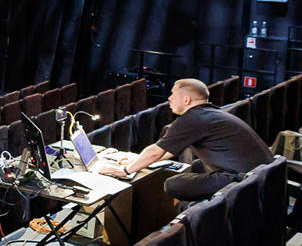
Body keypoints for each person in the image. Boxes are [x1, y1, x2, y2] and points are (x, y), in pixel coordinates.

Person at [112, 77, 273, 202]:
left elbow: (155, 152)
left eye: (173, 94)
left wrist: (125, 171)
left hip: (244, 181)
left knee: (173, 184)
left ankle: (201, 213)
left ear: (186, 100)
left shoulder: (192, 119)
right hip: (262, 177)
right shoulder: (209, 114)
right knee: (196, 166)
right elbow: (167, 150)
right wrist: (138, 162)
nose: (169, 98)